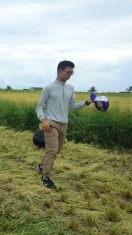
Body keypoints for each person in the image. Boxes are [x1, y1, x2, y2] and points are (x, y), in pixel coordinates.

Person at [36, 60, 93, 189]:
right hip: (51, 123)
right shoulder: (48, 88)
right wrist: (43, 119)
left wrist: (86, 102)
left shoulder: (70, 88)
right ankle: (45, 176)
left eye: (72, 73)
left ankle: (41, 165)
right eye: (68, 72)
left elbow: (72, 106)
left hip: (64, 123)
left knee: (57, 150)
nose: (69, 75)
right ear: (60, 71)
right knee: (52, 150)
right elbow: (39, 107)